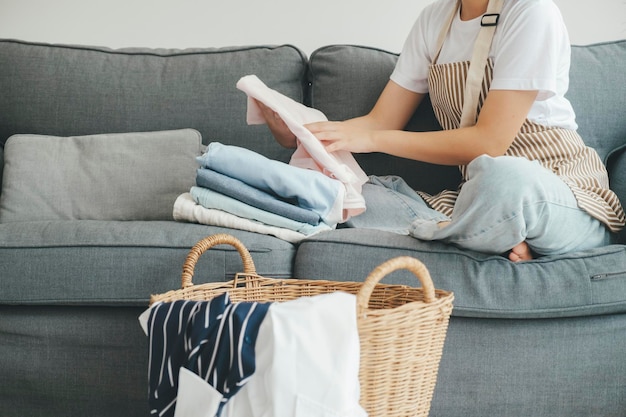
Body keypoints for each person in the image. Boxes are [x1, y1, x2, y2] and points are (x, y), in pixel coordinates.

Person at [257, 0, 625, 262]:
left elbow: (490, 142)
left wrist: (371, 138)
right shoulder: (434, 21)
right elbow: (379, 122)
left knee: (505, 179)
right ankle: (498, 236)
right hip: (474, 199)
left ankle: (471, 230)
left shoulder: (531, 11)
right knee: (347, 195)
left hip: (560, 193)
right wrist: (301, 132)